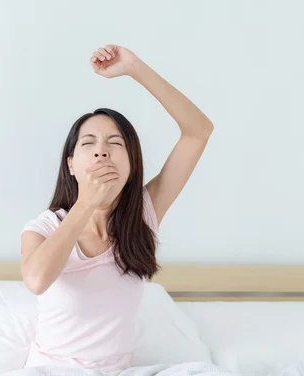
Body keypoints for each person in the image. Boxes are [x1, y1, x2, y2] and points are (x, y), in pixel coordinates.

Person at [19, 44, 214, 372]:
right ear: (70, 165)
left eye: (115, 143)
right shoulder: (44, 228)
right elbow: (36, 280)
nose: (101, 152)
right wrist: (86, 203)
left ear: (131, 162)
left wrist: (135, 68)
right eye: (88, 144)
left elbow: (198, 132)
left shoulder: (143, 215)